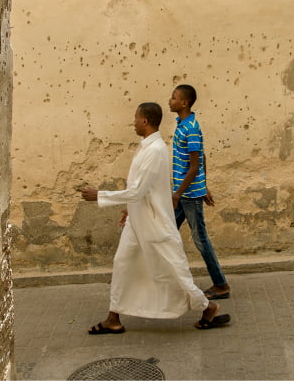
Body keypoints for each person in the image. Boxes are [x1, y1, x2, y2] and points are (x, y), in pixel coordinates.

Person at [80, 102, 230, 334]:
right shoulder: (147, 147)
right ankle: (113, 318)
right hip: (137, 221)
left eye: (135, 118)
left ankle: (207, 307)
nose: (133, 122)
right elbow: (141, 188)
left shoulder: (155, 150)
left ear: (145, 121)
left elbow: (137, 190)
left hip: (153, 223)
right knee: (123, 263)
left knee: (171, 269)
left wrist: (99, 195)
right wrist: (130, 209)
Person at [168, 85, 231, 300]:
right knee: (166, 232)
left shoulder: (191, 128)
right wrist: (202, 186)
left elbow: (195, 165)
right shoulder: (182, 124)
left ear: (184, 103)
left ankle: (221, 284)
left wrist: (179, 193)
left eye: (174, 98)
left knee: (200, 239)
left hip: (188, 196)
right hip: (184, 193)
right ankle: (165, 280)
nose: (170, 100)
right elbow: (200, 157)